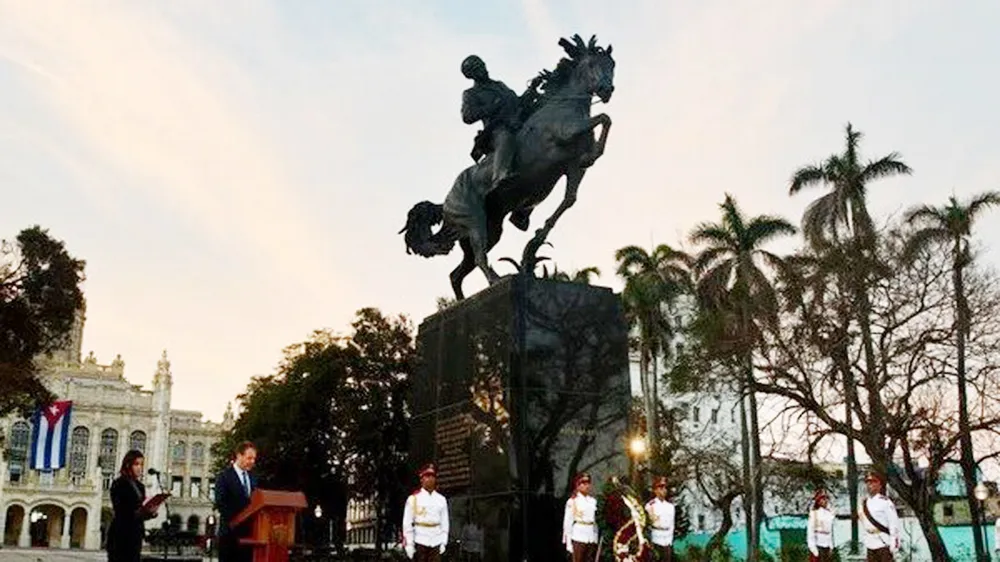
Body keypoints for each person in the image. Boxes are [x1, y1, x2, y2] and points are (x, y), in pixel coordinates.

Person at [106, 449, 157, 562]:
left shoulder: (140, 486)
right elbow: (119, 509)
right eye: (136, 464)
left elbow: (140, 509)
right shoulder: (119, 483)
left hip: (135, 535)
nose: (140, 468)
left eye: (141, 464)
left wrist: (150, 513)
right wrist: (138, 513)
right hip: (120, 535)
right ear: (128, 465)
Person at [214, 441, 258, 562]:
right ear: (239, 455)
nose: (252, 461)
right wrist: (238, 519)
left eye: (254, 458)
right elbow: (220, 503)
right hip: (230, 536)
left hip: (249, 537)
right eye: (249, 458)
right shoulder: (223, 477)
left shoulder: (253, 477)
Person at [402, 463, 450, 562]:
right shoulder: (413, 499)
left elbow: (445, 522)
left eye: (432, 476)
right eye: (427, 476)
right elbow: (407, 524)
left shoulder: (441, 499)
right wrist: (409, 544)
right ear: (421, 479)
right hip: (419, 540)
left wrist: (444, 541)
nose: (430, 479)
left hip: (436, 540)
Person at [860, 470, 900, 561]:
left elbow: (894, 524)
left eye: (873, 482)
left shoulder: (885, 502)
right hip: (870, 543)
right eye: (868, 482)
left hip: (883, 543)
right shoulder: (865, 502)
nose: (869, 485)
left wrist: (894, 544)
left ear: (879, 485)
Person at [562, 473, 598, 562]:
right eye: (583, 483)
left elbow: (594, 521)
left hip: (591, 537)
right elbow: (568, 522)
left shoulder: (593, 501)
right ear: (578, 485)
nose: (586, 485)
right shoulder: (572, 501)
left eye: (588, 483)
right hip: (578, 536)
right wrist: (568, 543)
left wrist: (595, 537)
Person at [645, 476, 675, 561]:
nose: (664, 490)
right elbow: (649, 523)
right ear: (655, 490)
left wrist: (670, 541)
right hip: (656, 539)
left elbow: (672, 524)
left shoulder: (670, 506)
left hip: (667, 540)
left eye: (665, 488)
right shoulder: (650, 505)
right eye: (661, 488)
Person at [807, 489, 835, 562]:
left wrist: (831, 546)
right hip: (817, 545)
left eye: (826, 499)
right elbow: (810, 532)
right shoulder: (814, 513)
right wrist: (813, 548)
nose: (825, 501)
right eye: (823, 499)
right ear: (818, 501)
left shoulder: (829, 514)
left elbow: (830, 532)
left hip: (827, 546)